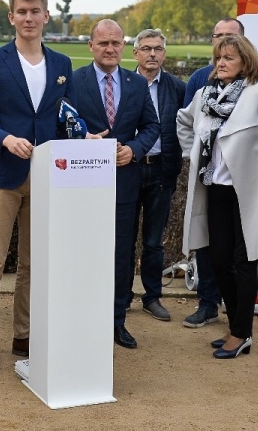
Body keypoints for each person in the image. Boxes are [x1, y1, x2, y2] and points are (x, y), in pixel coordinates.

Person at [0, 0, 75, 375]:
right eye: (22, 12)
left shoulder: (62, 64)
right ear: (11, 16)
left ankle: (24, 335)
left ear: (46, 15)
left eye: (35, 11)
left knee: (33, 264)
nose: (29, 18)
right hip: (1, 176)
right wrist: (6, 138)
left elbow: (66, 117)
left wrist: (84, 137)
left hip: (47, 177)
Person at [176, 35, 258, 360]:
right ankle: (237, 326)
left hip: (248, 193)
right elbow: (183, 121)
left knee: (244, 262)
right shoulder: (205, 95)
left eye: (229, 58)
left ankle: (241, 332)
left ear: (245, 62)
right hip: (216, 190)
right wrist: (190, 155)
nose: (220, 63)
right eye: (218, 57)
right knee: (220, 260)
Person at [71, 19, 159, 349]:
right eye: (103, 43)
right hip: (79, 183)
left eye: (116, 43)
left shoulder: (136, 84)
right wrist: (82, 137)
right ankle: (82, 317)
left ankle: (116, 321)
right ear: (91, 46)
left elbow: (152, 127)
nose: (110, 48)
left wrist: (133, 151)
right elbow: (58, 121)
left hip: (124, 183)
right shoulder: (73, 82)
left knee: (121, 254)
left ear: (124, 47)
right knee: (83, 252)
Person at [130, 28, 186, 322]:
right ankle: (121, 295)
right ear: (135, 52)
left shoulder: (177, 87)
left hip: (161, 170)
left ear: (164, 54)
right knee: (123, 237)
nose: (153, 54)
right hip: (127, 169)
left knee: (153, 240)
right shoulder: (123, 83)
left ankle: (152, 297)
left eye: (158, 49)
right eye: (147, 48)